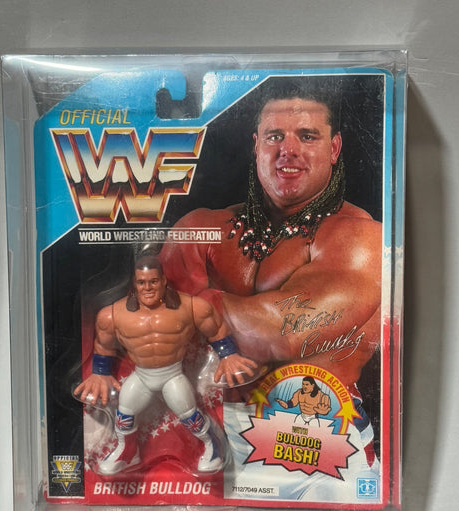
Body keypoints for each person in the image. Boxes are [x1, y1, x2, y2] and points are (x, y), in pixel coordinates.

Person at [160, 79, 381, 465]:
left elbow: (283, 334)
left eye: (307, 136)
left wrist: (193, 307)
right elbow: (148, 335)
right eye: (274, 136)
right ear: (256, 145)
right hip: (206, 435)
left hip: (318, 441)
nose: (287, 150)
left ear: (334, 148)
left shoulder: (359, 238)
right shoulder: (202, 227)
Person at [75, 256, 256, 475]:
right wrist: (100, 373)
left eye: (153, 281)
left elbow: (216, 328)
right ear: (134, 283)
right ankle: (128, 453)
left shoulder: (190, 306)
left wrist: (228, 355)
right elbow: (103, 345)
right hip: (141, 376)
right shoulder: (112, 314)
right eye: (142, 282)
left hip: (172, 375)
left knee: (189, 414)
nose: (147, 288)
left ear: (163, 280)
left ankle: (213, 446)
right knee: (124, 413)